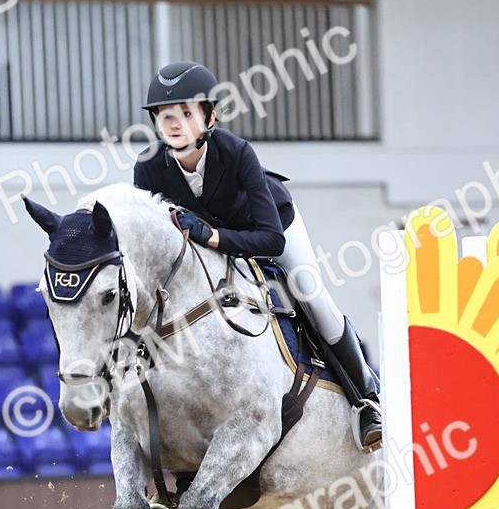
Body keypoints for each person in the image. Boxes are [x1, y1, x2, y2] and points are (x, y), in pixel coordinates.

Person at [133, 60, 382, 451]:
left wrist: (213, 237)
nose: (175, 124)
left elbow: (271, 241)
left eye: (186, 113)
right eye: (165, 116)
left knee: (313, 297)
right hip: (207, 253)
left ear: (210, 117)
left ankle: (367, 401)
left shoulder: (237, 153)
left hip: (271, 226)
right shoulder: (148, 168)